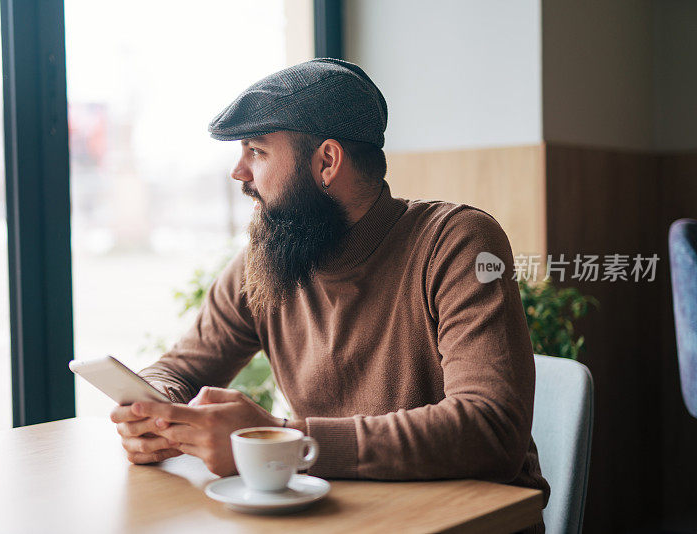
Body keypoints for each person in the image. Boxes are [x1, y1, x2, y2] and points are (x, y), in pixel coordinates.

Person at [110, 58, 550, 531]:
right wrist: (154, 414)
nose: (238, 172)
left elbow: (491, 430)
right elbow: (179, 367)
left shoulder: (458, 242)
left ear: (326, 162)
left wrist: (283, 443)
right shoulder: (266, 262)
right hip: (341, 520)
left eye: (256, 151)